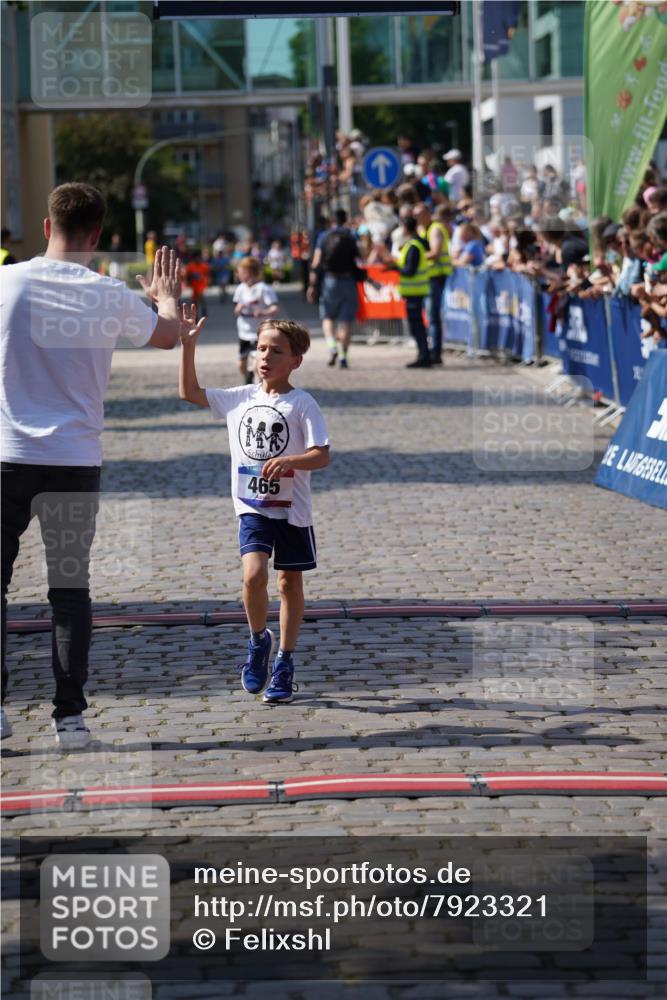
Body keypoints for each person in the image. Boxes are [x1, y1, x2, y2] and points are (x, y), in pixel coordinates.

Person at [0, 182, 182, 747]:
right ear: (99, 234)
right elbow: (170, 336)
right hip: (75, 460)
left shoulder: (5, 282)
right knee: (69, 591)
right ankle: (69, 719)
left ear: (47, 225)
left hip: (6, 455)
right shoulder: (107, 293)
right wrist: (164, 296)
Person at [179, 314, 330, 704]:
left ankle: (285, 660)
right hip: (252, 506)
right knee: (253, 575)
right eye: (261, 348)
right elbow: (189, 392)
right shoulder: (240, 398)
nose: (265, 357)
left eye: (276, 351)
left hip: (292, 511)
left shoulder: (302, 403)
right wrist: (188, 345)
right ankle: (258, 640)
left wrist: (292, 461)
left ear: (296, 360)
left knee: (288, 584)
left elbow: (321, 455)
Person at [307, 208, 362, 369]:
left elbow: (316, 263)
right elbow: (361, 257)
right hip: (348, 281)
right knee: (345, 321)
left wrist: (312, 285)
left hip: (329, 281)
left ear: (332, 221)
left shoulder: (324, 236)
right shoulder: (352, 235)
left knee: (328, 317)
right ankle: (344, 357)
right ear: (345, 220)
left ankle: (332, 347)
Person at [387, 215, 431, 368]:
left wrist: (396, 268)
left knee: (417, 325)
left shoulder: (413, 246)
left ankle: (424, 355)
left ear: (406, 228)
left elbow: (410, 270)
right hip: (414, 292)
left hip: (415, 292)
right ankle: (423, 354)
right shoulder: (413, 244)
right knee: (416, 325)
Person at [415, 202, 453, 365]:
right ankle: (432, 350)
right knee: (429, 316)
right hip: (427, 277)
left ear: (427, 214)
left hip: (436, 277)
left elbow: (435, 253)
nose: (417, 218)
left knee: (433, 316)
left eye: (420, 215)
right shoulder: (423, 230)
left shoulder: (435, 229)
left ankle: (436, 352)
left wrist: (414, 257)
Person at [233, 255, 279, 384]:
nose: (238, 274)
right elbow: (235, 311)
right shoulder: (240, 289)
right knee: (241, 365)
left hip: (259, 334)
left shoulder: (264, 289)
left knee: (255, 367)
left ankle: (256, 390)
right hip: (243, 333)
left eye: (240, 272)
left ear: (249, 272)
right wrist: (239, 308)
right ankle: (248, 381)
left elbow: (275, 308)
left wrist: (263, 312)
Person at [185, 248, 212, 319]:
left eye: (199, 258)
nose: (198, 259)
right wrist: (188, 282)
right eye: (196, 258)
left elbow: (208, 273)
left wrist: (209, 280)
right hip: (194, 286)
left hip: (201, 285)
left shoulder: (204, 266)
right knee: (194, 301)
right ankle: (195, 315)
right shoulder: (191, 266)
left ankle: (203, 311)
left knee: (201, 298)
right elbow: (188, 275)